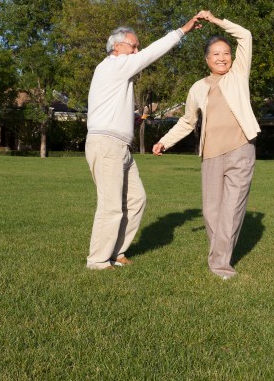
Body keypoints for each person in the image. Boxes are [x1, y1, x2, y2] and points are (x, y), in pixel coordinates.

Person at [85, 16, 202, 270]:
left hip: (120, 147)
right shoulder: (114, 65)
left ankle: (116, 252)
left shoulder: (117, 73)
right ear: (116, 46)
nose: (137, 51)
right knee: (111, 205)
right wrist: (182, 30)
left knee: (137, 199)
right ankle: (97, 260)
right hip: (107, 146)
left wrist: (131, 119)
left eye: (137, 47)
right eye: (133, 46)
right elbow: (152, 53)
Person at [152, 10, 260, 279]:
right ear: (207, 60)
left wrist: (216, 21)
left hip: (241, 149)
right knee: (212, 212)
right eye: (216, 54)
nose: (222, 58)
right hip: (211, 155)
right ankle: (219, 256)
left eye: (226, 53)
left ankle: (220, 265)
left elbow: (245, 36)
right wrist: (164, 142)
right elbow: (188, 122)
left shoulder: (238, 75)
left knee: (232, 210)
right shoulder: (198, 88)